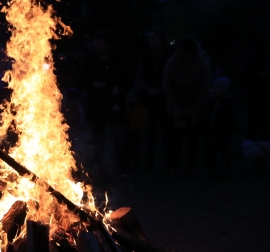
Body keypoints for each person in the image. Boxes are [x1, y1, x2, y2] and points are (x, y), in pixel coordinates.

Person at [81, 31, 131, 179]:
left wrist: (118, 88)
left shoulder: (118, 60)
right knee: (99, 140)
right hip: (97, 104)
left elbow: (126, 78)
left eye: (100, 41)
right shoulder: (90, 61)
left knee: (119, 138)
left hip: (114, 103)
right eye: (95, 42)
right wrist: (92, 85)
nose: (97, 45)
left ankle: (122, 170)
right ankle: (101, 171)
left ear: (107, 44)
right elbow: (83, 80)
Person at [163, 37, 212, 177]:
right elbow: (167, 86)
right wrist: (174, 109)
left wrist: (197, 110)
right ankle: (174, 166)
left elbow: (205, 88)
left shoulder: (202, 64)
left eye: (180, 51)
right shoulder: (172, 63)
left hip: (195, 104)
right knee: (175, 139)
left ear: (189, 53)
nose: (177, 53)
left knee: (193, 138)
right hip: (176, 104)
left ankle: (192, 166)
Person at [135, 29, 173, 169]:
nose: (151, 41)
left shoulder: (169, 56)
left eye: (154, 38)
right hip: (149, 97)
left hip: (164, 98)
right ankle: (149, 162)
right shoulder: (146, 56)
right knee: (150, 131)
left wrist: (162, 89)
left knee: (166, 131)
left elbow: (171, 75)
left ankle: (169, 162)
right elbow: (140, 75)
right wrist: (147, 88)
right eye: (150, 39)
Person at [203, 77, 233, 179]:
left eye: (216, 88)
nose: (213, 90)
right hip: (212, 131)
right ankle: (212, 168)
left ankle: (225, 169)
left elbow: (228, 120)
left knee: (224, 150)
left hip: (222, 133)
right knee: (212, 150)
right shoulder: (212, 102)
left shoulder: (227, 104)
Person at [242, 33, 270, 141]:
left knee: (266, 122)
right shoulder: (253, 55)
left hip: (266, 93)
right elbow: (244, 73)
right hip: (255, 93)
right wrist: (260, 75)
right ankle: (251, 146)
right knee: (254, 121)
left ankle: (265, 145)